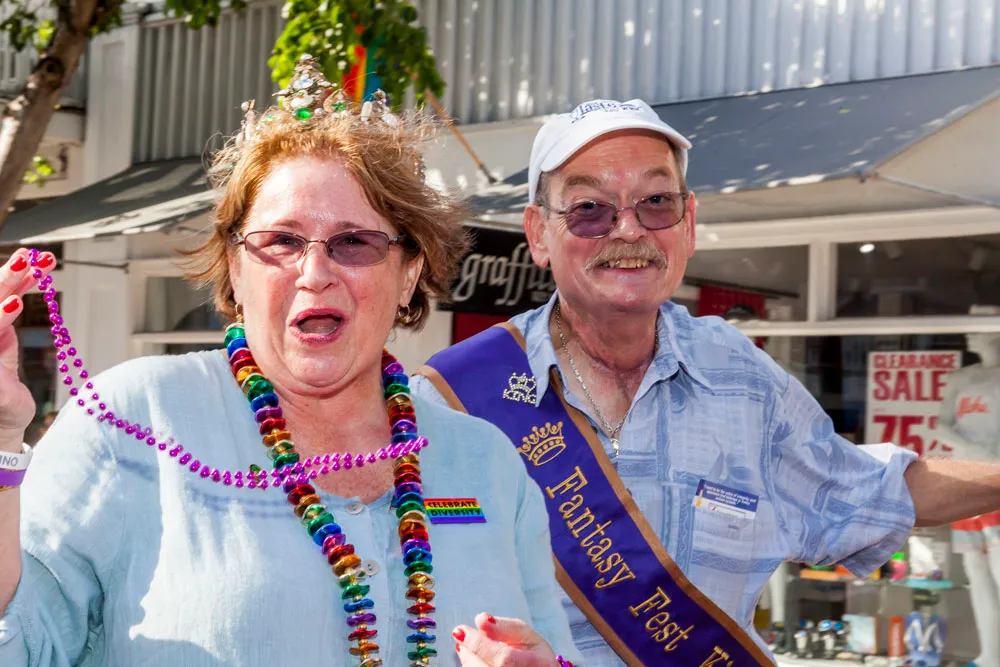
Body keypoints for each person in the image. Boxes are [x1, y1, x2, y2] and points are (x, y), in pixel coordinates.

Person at [0, 56, 582, 667]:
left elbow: (553, 650)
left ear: (409, 274)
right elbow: (19, 641)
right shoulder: (130, 419)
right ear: (235, 267)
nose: (315, 272)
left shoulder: (487, 463)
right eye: (281, 241)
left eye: (354, 242)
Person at [412, 98, 1000, 666]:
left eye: (656, 202)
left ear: (688, 224)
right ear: (538, 233)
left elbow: (869, 494)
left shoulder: (742, 378)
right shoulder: (453, 399)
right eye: (590, 208)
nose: (629, 230)